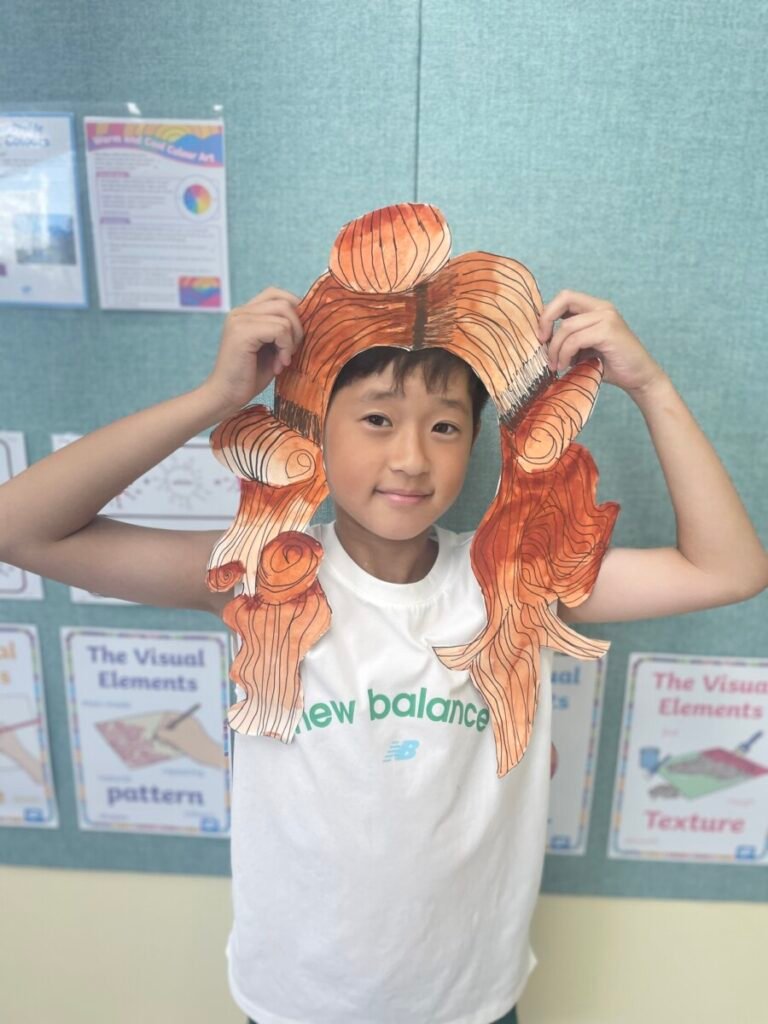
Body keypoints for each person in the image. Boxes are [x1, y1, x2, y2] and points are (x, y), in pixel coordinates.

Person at [1, 267, 766, 1023]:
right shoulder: (258, 574)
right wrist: (216, 398)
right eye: (376, 419)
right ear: (315, 429)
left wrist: (650, 386)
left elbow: (728, 569)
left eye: (444, 427)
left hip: (470, 1004)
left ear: (474, 442)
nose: (411, 457)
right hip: (296, 1004)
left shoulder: (512, 580)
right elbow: (19, 529)